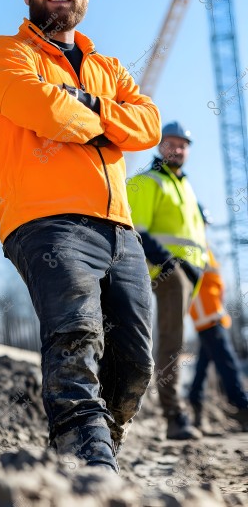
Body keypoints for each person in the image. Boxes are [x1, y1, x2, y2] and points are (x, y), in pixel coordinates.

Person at [0, 0, 161, 473]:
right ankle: (88, 464)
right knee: (76, 336)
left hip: (119, 229)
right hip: (46, 222)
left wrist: (84, 108)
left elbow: (147, 124)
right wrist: (111, 124)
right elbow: (44, 110)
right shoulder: (5, 53)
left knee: (135, 363)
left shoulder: (109, 66)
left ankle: (99, 439)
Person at [127, 121, 207, 440]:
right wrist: (171, 265)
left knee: (173, 341)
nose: (178, 149)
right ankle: (173, 415)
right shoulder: (148, 182)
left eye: (183, 144)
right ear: (159, 146)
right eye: (171, 143)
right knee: (171, 342)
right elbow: (139, 229)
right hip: (167, 274)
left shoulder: (184, 186)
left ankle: (173, 410)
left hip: (189, 274)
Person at [188, 205, 248, 431]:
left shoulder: (204, 246)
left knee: (204, 365)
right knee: (227, 361)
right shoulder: (194, 245)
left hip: (213, 315)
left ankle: (195, 399)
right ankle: (241, 405)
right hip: (208, 316)